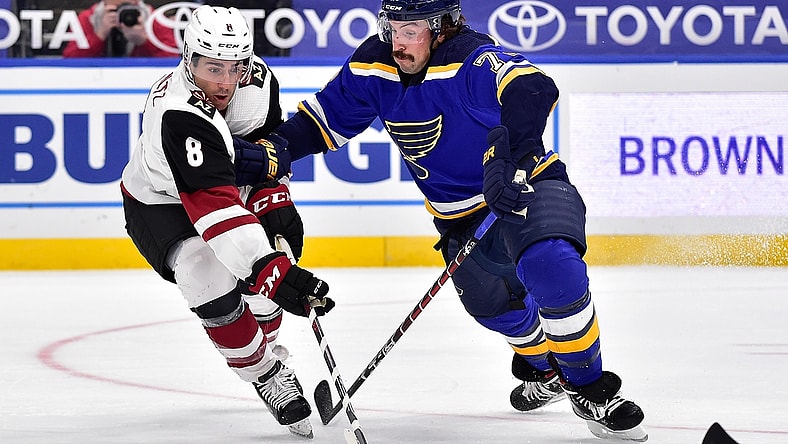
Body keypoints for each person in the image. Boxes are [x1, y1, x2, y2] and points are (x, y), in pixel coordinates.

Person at [234, 0, 648, 441]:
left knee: (552, 267)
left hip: (526, 185)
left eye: (410, 30)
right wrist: (269, 153)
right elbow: (320, 125)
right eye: (390, 27)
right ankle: (544, 367)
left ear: (442, 27)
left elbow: (532, 87)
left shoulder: (469, 59)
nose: (397, 41)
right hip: (458, 220)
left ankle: (589, 387)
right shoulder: (374, 66)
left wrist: (516, 156)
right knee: (496, 309)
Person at [119, 5, 334, 439]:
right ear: (189, 59)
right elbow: (213, 206)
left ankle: (270, 345)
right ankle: (264, 371)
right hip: (160, 202)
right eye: (212, 67)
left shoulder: (258, 81)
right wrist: (269, 272)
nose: (224, 80)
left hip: (220, 187)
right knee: (206, 270)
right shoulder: (177, 112)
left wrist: (273, 198)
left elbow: (267, 149)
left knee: (279, 247)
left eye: (234, 66)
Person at [63, 0, 177, 57]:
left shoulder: (151, 18)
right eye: (116, 10)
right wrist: (99, 36)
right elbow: (70, 59)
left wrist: (144, 40)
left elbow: (172, 60)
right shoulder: (89, 18)